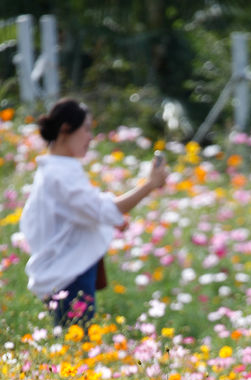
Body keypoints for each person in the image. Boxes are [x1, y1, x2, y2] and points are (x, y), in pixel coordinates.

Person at [20, 97, 168, 330]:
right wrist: (149, 185)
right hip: (68, 276)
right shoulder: (60, 174)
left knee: (76, 344)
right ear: (66, 130)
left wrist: (109, 220)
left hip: (69, 273)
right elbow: (104, 209)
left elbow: (84, 211)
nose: (90, 137)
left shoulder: (57, 170)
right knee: (77, 346)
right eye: (86, 129)